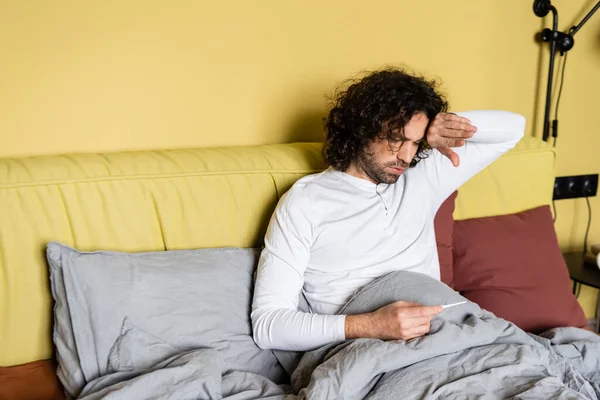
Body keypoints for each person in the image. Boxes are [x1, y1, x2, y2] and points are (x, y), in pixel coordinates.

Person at [251, 67, 525, 351]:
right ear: (362, 129)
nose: (407, 156)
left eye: (416, 142)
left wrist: (442, 125)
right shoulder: (306, 202)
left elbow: (514, 128)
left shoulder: (423, 175)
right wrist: (371, 325)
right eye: (397, 139)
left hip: (449, 335)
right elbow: (268, 325)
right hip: (372, 348)